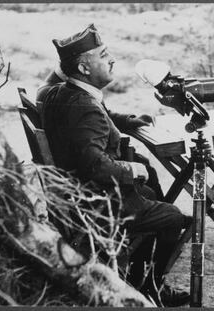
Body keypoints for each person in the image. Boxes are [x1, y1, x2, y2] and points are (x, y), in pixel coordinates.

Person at [36, 24, 192, 307]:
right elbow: (95, 167)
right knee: (173, 217)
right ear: (84, 69)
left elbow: (100, 115)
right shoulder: (85, 107)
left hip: (75, 193)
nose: (112, 60)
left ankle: (137, 273)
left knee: (152, 189)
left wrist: (128, 121)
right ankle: (153, 287)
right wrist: (135, 170)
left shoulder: (58, 93)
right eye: (103, 54)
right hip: (99, 202)